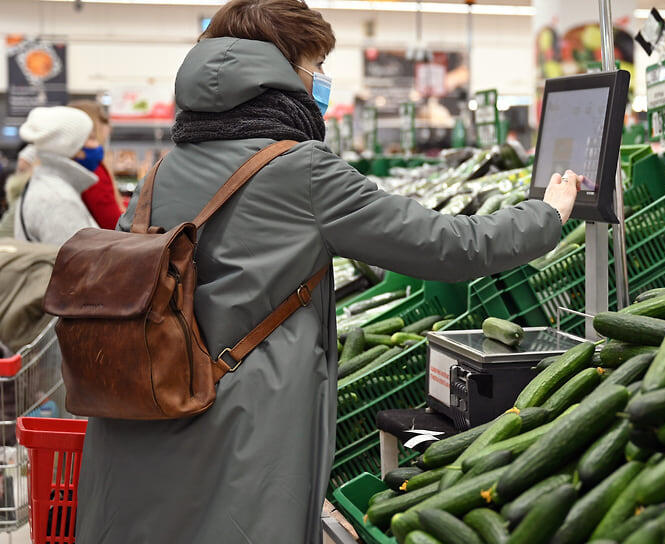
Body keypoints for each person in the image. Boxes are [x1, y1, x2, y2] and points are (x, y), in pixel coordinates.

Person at [75, 1, 581, 542]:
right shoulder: (301, 170)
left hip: (141, 415)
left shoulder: (162, 170)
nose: (322, 81)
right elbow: (446, 246)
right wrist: (544, 215)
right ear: (283, 69)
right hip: (242, 428)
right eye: (316, 65)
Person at [13, 107, 98, 245]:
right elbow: (78, 263)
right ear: (69, 146)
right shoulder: (58, 199)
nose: (97, 145)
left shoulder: (47, 186)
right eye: (91, 138)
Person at [69, 100, 124, 229]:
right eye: (103, 121)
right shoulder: (92, 169)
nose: (109, 128)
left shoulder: (66, 167)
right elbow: (114, 225)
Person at [0, 145, 36, 239]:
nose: (18, 176)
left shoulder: (25, 200)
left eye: (22, 171)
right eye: (18, 170)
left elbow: (4, 232)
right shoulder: (19, 198)